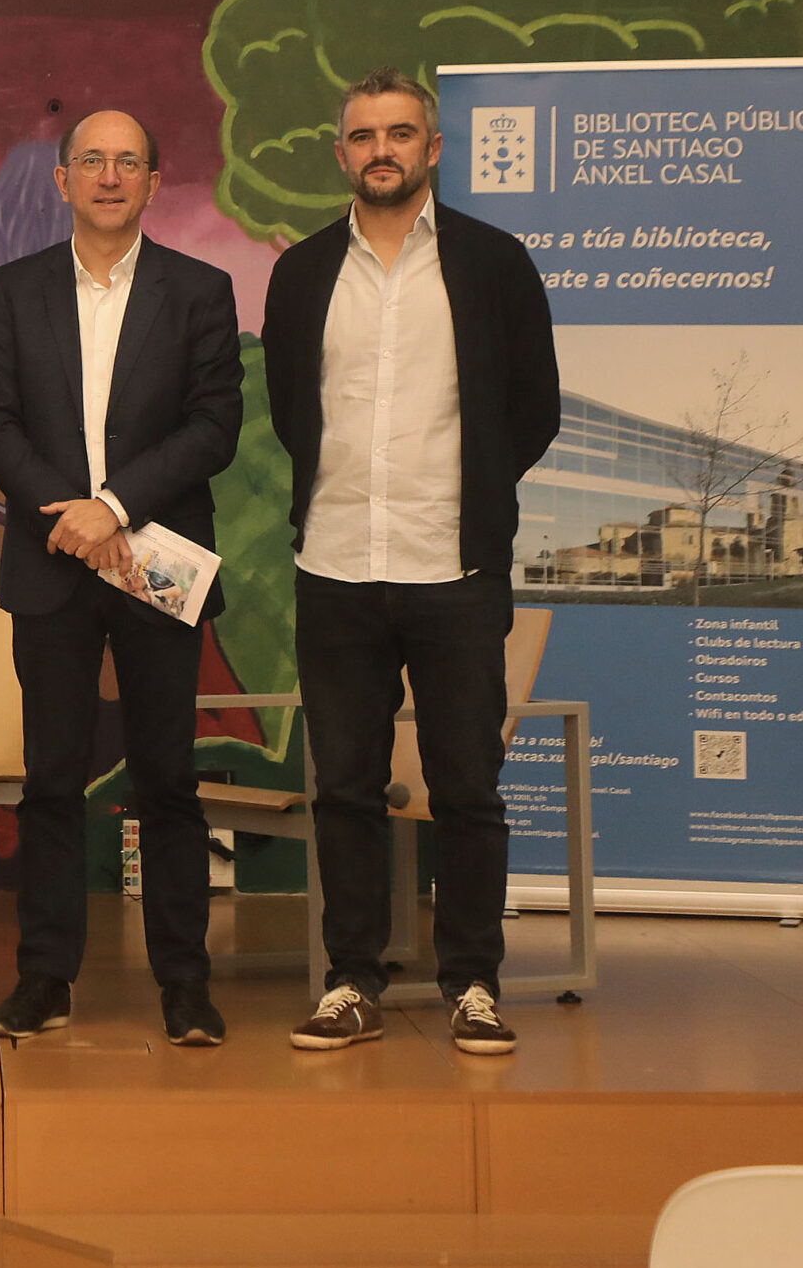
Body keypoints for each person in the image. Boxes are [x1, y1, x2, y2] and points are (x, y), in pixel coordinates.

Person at [262, 66, 559, 1057]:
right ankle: (352, 980)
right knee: (343, 786)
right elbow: (288, 408)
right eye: (361, 134)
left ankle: (472, 980)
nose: (379, 148)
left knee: (466, 785)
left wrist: (468, 490)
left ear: (432, 148)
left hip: (454, 567)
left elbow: (533, 408)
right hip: (337, 561)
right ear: (340, 153)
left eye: (398, 132)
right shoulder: (302, 273)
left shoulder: (494, 263)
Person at [0, 111, 244, 1046]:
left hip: (155, 561)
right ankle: (45, 977)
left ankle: (184, 983)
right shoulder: (14, 288)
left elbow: (214, 428)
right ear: (60, 180)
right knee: (51, 777)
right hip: (54, 563)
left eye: (130, 160)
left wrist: (115, 508)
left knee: (169, 777)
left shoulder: (201, 289)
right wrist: (72, 517)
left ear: (155, 181)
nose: (110, 175)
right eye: (92, 160)